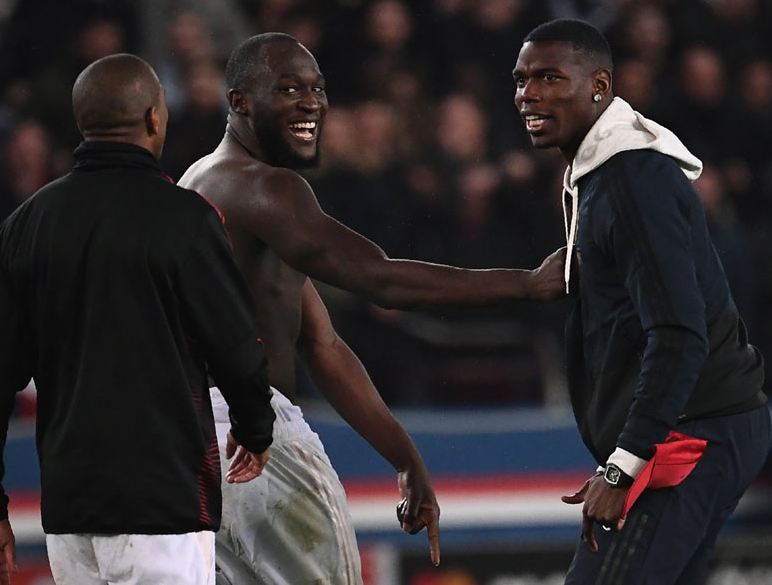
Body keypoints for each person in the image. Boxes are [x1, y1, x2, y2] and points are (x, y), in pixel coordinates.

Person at [178, 33, 566, 585]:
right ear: (239, 102)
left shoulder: (206, 181)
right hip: (255, 440)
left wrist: (404, 457)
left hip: (196, 445)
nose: (311, 102)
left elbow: (322, 344)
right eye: (289, 89)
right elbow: (379, 278)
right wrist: (526, 284)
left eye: (317, 88)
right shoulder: (264, 188)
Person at [0, 54, 278, 585]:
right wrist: (255, 428)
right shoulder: (186, 218)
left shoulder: (25, 225)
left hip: (69, 513)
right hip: (163, 505)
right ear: (154, 118)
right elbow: (237, 346)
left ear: (85, 123)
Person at [512, 19, 771, 585]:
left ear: (599, 86)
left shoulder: (630, 180)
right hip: (700, 421)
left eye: (549, 77)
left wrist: (624, 463)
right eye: (522, 79)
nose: (528, 93)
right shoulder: (606, 169)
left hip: (692, 429)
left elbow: (679, 333)